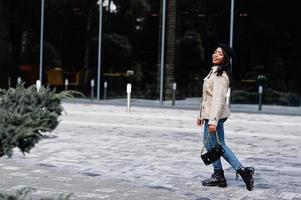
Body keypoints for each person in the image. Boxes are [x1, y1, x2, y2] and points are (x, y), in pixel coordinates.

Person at [196, 43, 255, 191]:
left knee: (216, 145)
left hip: (214, 116)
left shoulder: (221, 75)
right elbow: (207, 97)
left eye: (220, 54)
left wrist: (212, 121)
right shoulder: (214, 71)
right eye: (215, 52)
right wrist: (201, 115)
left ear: (225, 58)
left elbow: (218, 100)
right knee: (218, 144)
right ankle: (223, 175)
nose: (215, 55)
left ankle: (239, 172)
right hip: (210, 115)